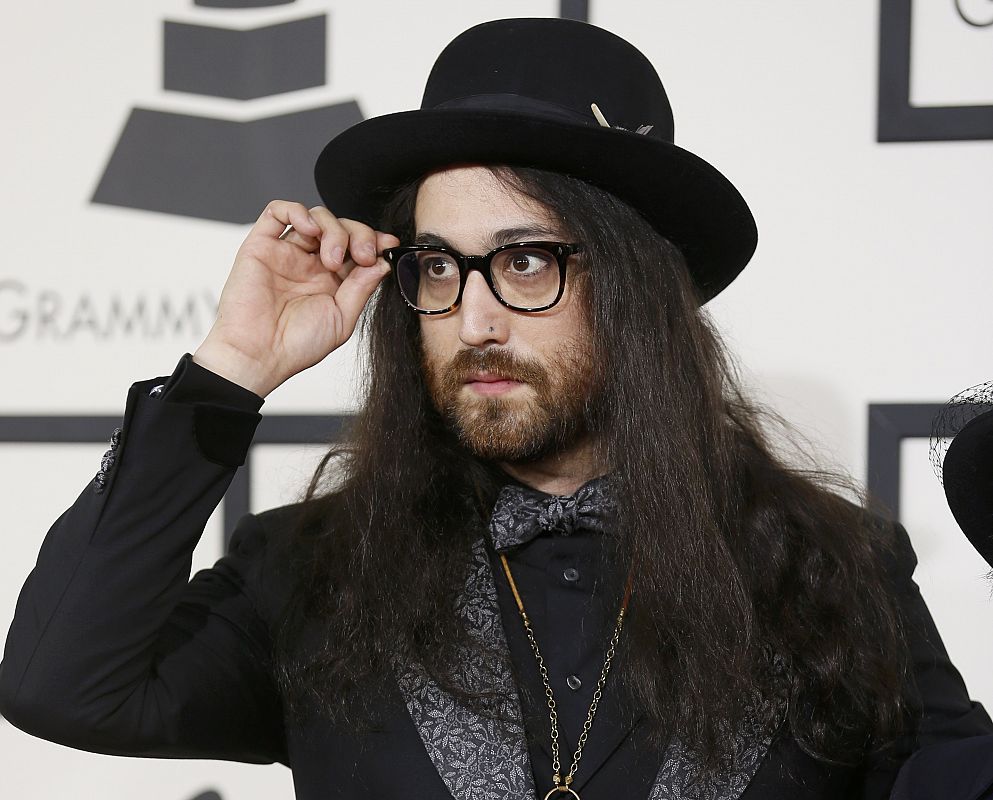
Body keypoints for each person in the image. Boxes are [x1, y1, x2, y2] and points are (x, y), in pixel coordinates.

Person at [1, 17, 991, 800]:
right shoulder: (314, 573)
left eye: (526, 261)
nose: (472, 318)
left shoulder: (829, 569)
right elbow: (60, 681)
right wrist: (229, 370)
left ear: (638, 289)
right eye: (437, 266)